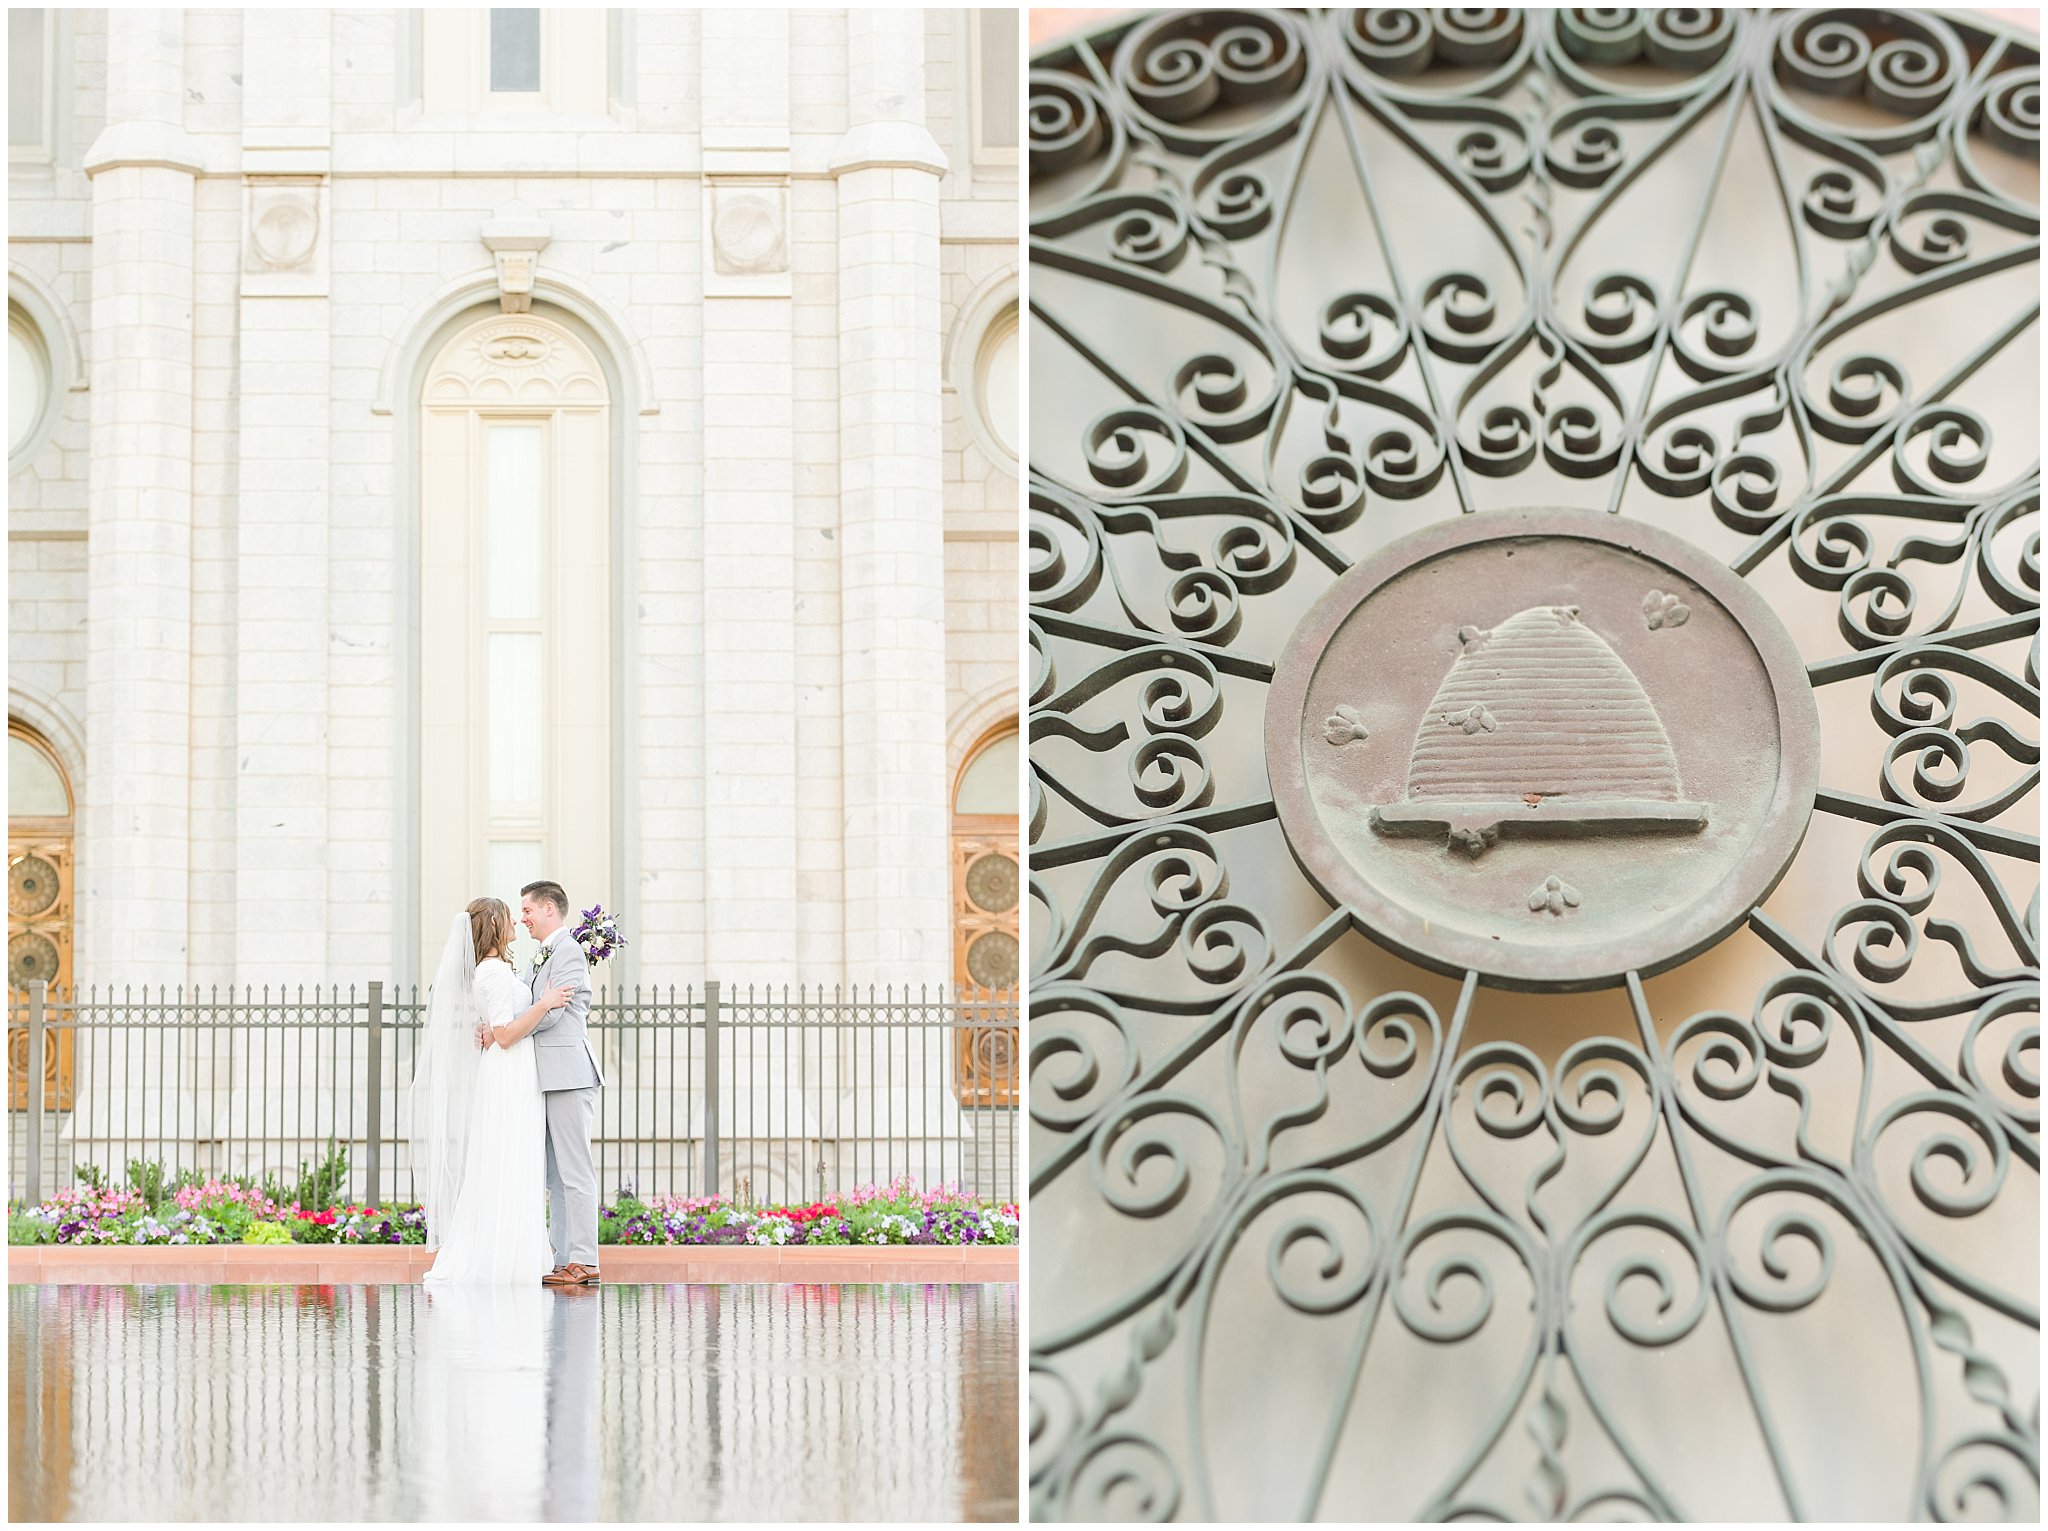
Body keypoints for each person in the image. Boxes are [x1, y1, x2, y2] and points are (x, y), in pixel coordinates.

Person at [412, 897, 570, 1284]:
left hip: (512, 1071)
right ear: (494, 927)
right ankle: (505, 1259)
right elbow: (503, 1034)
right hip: (508, 1072)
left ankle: (513, 1252)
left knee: (512, 1160)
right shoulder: (494, 973)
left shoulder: (493, 970)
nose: (516, 919)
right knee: (508, 1160)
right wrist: (545, 1003)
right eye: (507, 916)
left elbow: (496, 1028)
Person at [488, 879, 607, 1286]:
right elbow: (534, 1005)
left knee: (575, 1171)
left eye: (527, 910)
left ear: (549, 909)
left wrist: (509, 1032)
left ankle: (585, 1260)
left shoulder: (569, 952)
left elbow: (555, 1014)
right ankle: (562, 1259)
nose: (521, 919)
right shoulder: (543, 955)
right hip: (548, 1077)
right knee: (554, 1175)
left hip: (570, 1075)